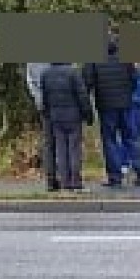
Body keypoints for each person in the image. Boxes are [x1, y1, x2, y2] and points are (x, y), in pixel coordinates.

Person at [82, 38, 140, 187]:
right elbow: (134, 79)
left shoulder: (94, 61)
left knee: (110, 140)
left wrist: (91, 99)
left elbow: (87, 82)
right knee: (131, 138)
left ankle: (115, 176)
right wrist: (127, 94)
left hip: (106, 107)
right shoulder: (126, 60)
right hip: (126, 105)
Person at [39, 62, 94, 191]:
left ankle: (65, 182)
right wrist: (88, 115)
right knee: (74, 148)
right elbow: (82, 95)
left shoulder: (46, 74)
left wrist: (48, 114)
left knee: (61, 150)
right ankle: (76, 182)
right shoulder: (73, 72)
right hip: (73, 116)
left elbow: (45, 98)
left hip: (56, 117)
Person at [26, 62, 59, 191]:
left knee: (48, 141)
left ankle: (51, 179)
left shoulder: (32, 62)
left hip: (43, 104)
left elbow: (30, 82)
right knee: (62, 140)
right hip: (59, 102)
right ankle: (63, 176)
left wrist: (38, 99)